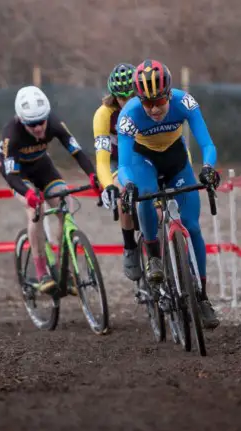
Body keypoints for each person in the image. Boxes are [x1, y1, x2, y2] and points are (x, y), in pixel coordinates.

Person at [115, 59, 221, 329]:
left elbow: (207, 144)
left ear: (168, 94)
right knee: (146, 194)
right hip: (143, 162)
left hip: (176, 161)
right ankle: (153, 257)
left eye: (159, 102)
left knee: (193, 227)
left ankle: (202, 296)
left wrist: (208, 168)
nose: (154, 109)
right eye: (147, 103)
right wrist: (128, 184)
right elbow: (125, 165)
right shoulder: (128, 115)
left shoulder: (184, 103)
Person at [0, 85, 98, 293]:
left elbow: (76, 151)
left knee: (65, 205)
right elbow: (10, 175)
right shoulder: (11, 135)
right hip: (17, 174)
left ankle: (65, 269)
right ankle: (42, 271)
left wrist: (92, 174)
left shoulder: (53, 123)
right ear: (21, 121)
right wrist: (28, 194)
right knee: (36, 211)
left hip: (42, 166)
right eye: (32, 124)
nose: (38, 128)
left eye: (41, 122)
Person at [91, 63, 141, 280]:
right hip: (116, 160)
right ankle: (130, 247)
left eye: (132, 96)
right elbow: (101, 159)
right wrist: (108, 186)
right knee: (123, 197)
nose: (127, 102)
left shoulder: (148, 106)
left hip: (143, 156)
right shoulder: (104, 115)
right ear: (113, 97)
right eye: (122, 98)